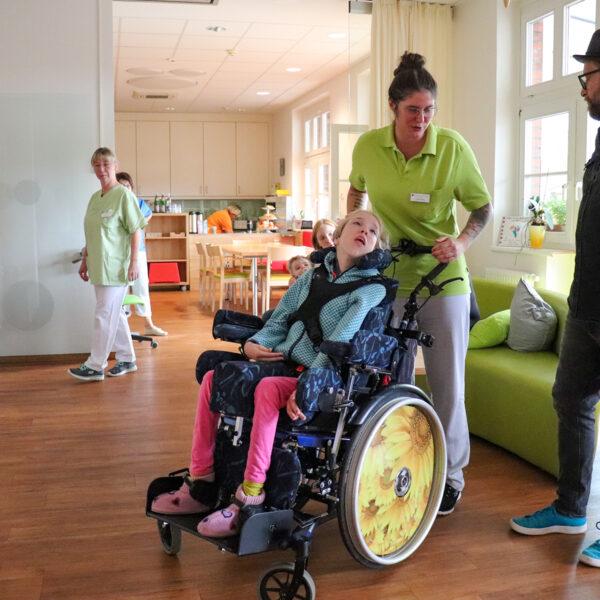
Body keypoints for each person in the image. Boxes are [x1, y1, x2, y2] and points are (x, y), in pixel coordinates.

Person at [151, 210, 389, 536]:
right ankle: (200, 483)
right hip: (284, 362)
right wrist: (253, 345)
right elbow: (278, 320)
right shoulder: (311, 276)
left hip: (324, 375)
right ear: (338, 236)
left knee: (267, 389)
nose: (365, 231)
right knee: (213, 378)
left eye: (373, 231)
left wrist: (308, 384)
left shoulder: (371, 288)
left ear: (376, 246)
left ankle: (250, 495)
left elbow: (339, 342)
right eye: (358, 224)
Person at [347, 52, 492, 515]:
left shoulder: (452, 147)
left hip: (443, 279)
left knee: (448, 384)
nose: (422, 120)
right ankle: (396, 464)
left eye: (429, 111)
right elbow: (356, 189)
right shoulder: (369, 147)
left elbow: (482, 208)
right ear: (393, 107)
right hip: (389, 276)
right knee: (392, 377)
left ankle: (450, 476)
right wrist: (355, 223)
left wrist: (463, 242)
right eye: (413, 110)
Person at [510, 29, 600, 568]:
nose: (582, 88)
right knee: (571, 404)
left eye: (587, 76)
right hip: (587, 305)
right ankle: (571, 508)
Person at [68, 148, 147, 382]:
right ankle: (127, 358)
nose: (101, 170)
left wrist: (134, 262)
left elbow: (136, 230)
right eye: (96, 165)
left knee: (104, 314)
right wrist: (85, 259)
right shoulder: (95, 198)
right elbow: (93, 234)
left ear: (115, 166)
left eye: (105, 164)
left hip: (116, 268)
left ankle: (95, 365)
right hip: (97, 266)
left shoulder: (124, 195)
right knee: (114, 314)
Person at [115, 171, 167, 337]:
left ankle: (148, 325)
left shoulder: (138, 203)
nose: (126, 189)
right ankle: (122, 325)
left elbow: (147, 216)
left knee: (142, 286)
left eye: (128, 186)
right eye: (122, 186)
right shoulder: (113, 203)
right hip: (117, 252)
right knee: (120, 289)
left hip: (138, 251)